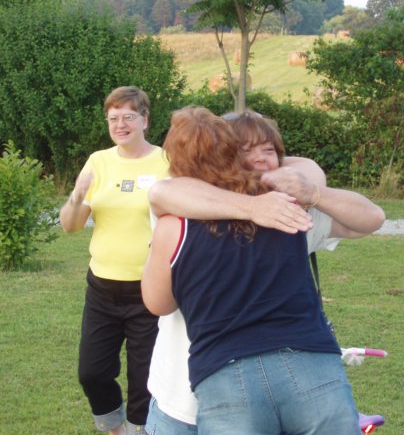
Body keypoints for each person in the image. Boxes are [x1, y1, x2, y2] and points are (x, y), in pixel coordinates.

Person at [144, 110, 385, 435]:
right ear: (226, 155)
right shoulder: (190, 204)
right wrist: (256, 205)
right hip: (193, 395)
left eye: (268, 149)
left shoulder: (280, 211)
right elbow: (161, 191)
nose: (260, 159)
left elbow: (365, 215)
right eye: (246, 150)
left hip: (216, 383)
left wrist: (311, 192)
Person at [59, 86, 167, 435]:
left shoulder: (167, 162)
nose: (120, 125)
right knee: (92, 373)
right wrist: (76, 196)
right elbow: (70, 225)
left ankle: (141, 430)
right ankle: (114, 427)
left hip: (150, 290)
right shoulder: (98, 162)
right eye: (113, 118)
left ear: (145, 120)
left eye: (128, 117)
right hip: (102, 288)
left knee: (144, 377)